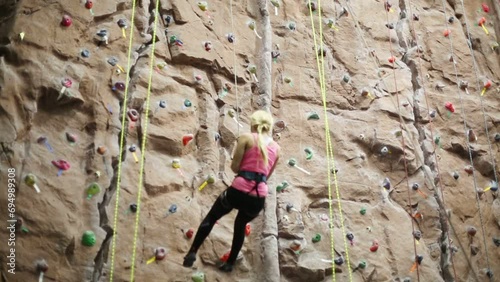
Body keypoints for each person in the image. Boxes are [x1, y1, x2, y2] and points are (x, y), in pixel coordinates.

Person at [183, 110, 280, 272]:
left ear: (253, 124)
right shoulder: (277, 148)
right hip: (258, 197)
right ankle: (230, 264)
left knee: (212, 217)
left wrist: (240, 157)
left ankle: (192, 252)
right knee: (240, 225)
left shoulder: (246, 138)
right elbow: (266, 176)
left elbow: (235, 168)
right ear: (269, 127)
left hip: (238, 190)